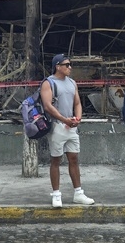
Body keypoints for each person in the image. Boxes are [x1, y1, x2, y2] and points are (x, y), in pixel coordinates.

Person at [40, 54, 95, 208]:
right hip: (58, 126)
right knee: (56, 160)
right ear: (58, 66)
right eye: (67, 64)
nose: (70, 67)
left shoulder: (72, 83)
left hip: (70, 126)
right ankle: (56, 194)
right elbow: (47, 106)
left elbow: (77, 102)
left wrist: (78, 118)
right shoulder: (48, 83)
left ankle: (78, 193)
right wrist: (65, 120)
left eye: (70, 64)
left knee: (74, 158)